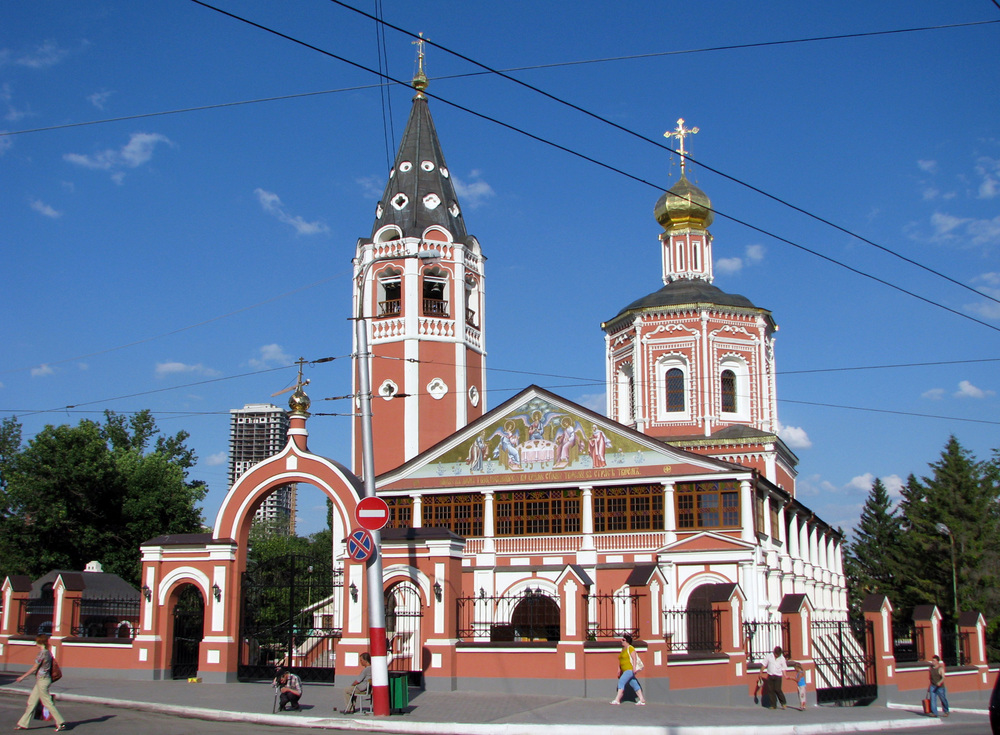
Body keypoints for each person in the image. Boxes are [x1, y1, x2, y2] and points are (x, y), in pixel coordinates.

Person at [15, 634, 67, 731]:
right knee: (31, 702)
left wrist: (22, 676)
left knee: (47, 702)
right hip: (43, 680)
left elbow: (35, 667)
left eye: (36, 641)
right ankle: (23, 723)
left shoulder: (42, 653)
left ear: (39, 642)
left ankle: (60, 722)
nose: (36, 644)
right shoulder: (48, 653)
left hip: (42, 680)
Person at [610, 634, 647, 706]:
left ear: (627, 641)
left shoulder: (630, 648)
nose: (621, 641)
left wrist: (634, 668)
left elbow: (634, 658)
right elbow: (620, 660)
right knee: (634, 683)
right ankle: (642, 699)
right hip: (624, 670)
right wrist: (619, 670)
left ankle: (617, 699)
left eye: (623, 640)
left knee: (621, 681)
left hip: (629, 669)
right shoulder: (623, 650)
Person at [761, 645, 789, 710]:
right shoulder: (769, 656)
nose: (776, 656)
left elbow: (784, 668)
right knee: (770, 690)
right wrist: (761, 672)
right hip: (770, 675)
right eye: (776, 654)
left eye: (778, 655)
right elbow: (764, 664)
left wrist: (785, 675)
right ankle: (773, 705)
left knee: (778, 689)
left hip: (778, 676)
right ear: (774, 652)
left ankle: (783, 703)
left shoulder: (782, 658)